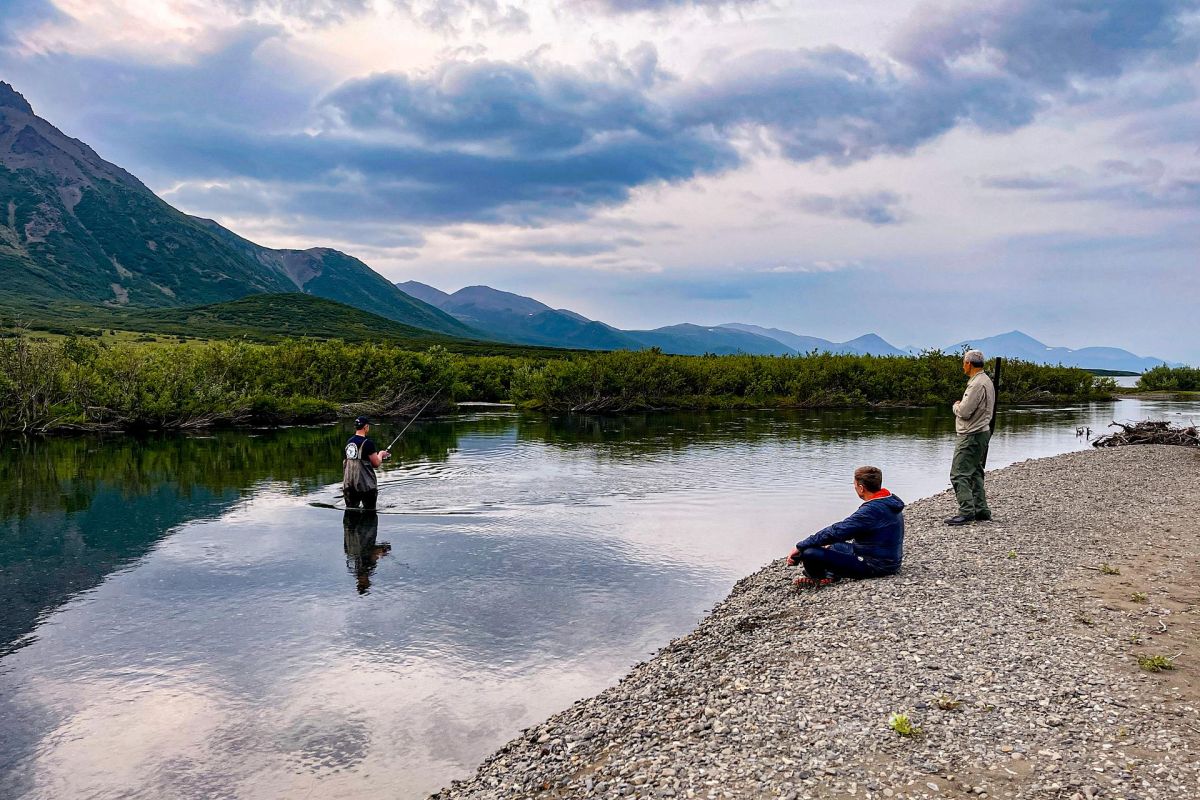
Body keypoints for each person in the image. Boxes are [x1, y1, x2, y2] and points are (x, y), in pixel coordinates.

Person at [786, 466, 905, 587]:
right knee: (831, 545)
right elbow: (841, 532)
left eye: (855, 484)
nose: (854, 487)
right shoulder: (887, 500)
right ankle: (830, 573)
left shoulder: (871, 510)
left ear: (861, 488)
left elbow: (838, 531)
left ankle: (820, 578)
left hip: (876, 565)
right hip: (887, 559)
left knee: (809, 553)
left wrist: (800, 546)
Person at [945, 349, 995, 526]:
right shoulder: (986, 380)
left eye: (964, 363)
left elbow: (965, 412)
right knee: (974, 472)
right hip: (982, 432)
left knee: (959, 474)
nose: (963, 366)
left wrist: (956, 406)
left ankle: (966, 512)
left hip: (971, 434)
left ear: (969, 363)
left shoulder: (976, 384)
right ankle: (981, 510)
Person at [343, 416, 390, 510]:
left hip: (349, 485)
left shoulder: (349, 442)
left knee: (351, 512)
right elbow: (376, 464)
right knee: (370, 511)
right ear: (366, 427)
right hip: (366, 485)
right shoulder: (368, 443)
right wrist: (381, 454)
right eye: (368, 426)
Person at [343, 509, 390, 594]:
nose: (367, 579)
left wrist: (382, 551)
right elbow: (372, 554)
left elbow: (372, 553)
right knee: (363, 509)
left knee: (365, 509)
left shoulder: (357, 567)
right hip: (352, 527)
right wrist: (382, 551)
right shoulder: (354, 567)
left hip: (363, 529)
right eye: (367, 582)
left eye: (366, 582)